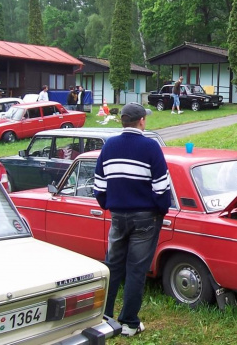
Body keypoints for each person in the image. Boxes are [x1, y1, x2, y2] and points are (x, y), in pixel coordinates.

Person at [93, 102, 171, 337]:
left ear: (122, 121)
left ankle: (104, 320)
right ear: (142, 121)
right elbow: (162, 187)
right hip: (146, 217)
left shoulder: (109, 146)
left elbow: (99, 185)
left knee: (112, 266)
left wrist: (110, 205)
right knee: (136, 270)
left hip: (118, 216)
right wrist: (161, 211)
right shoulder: (151, 147)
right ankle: (129, 323)